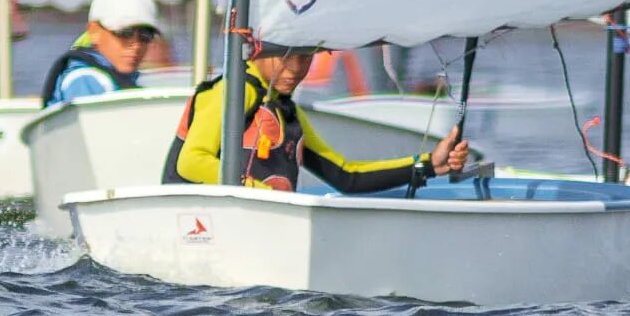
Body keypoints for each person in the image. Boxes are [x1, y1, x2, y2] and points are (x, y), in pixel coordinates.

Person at [164, 38, 469, 193]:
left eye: (306, 57)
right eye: (287, 56)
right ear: (258, 49)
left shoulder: (284, 108)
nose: (297, 69)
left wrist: (429, 164)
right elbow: (191, 161)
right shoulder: (232, 91)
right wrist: (264, 196)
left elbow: (346, 176)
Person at [40, 0, 165, 106]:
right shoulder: (86, 79)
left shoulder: (128, 79)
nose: (136, 45)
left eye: (145, 35)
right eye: (125, 33)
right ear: (94, 31)